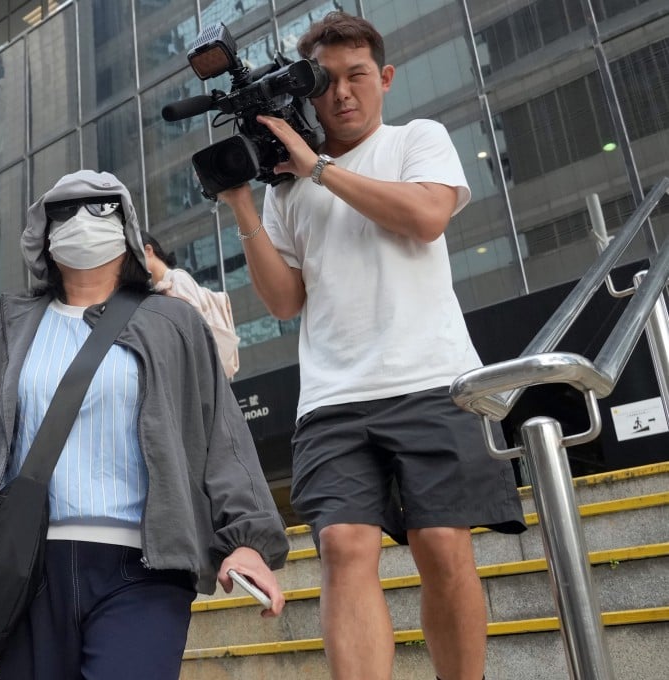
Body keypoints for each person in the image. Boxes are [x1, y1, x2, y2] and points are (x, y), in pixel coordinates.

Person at [0, 169, 289, 679]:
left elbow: (222, 438)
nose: (84, 221)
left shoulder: (172, 323)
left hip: (146, 571)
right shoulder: (11, 331)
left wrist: (248, 539)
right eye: (65, 211)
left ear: (128, 227)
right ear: (42, 234)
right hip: (22, 569)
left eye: (102, 208)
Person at [216, 12, 526, 680]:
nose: (342, 93)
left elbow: (426, 218)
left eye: (357, 76)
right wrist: (243, 204)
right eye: (325, 83)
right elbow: (283, 302)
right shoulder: (288, 189)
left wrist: (319, 168)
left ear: (383, 77)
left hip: (435, 380)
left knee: (442, 546)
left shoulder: (418, 139)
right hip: (332, 396)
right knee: (342, 546)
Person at [141, 232, 241, 379]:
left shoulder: (177, 279)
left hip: (199, 368)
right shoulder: (157, 290)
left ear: (148, 251)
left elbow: (194, 327)